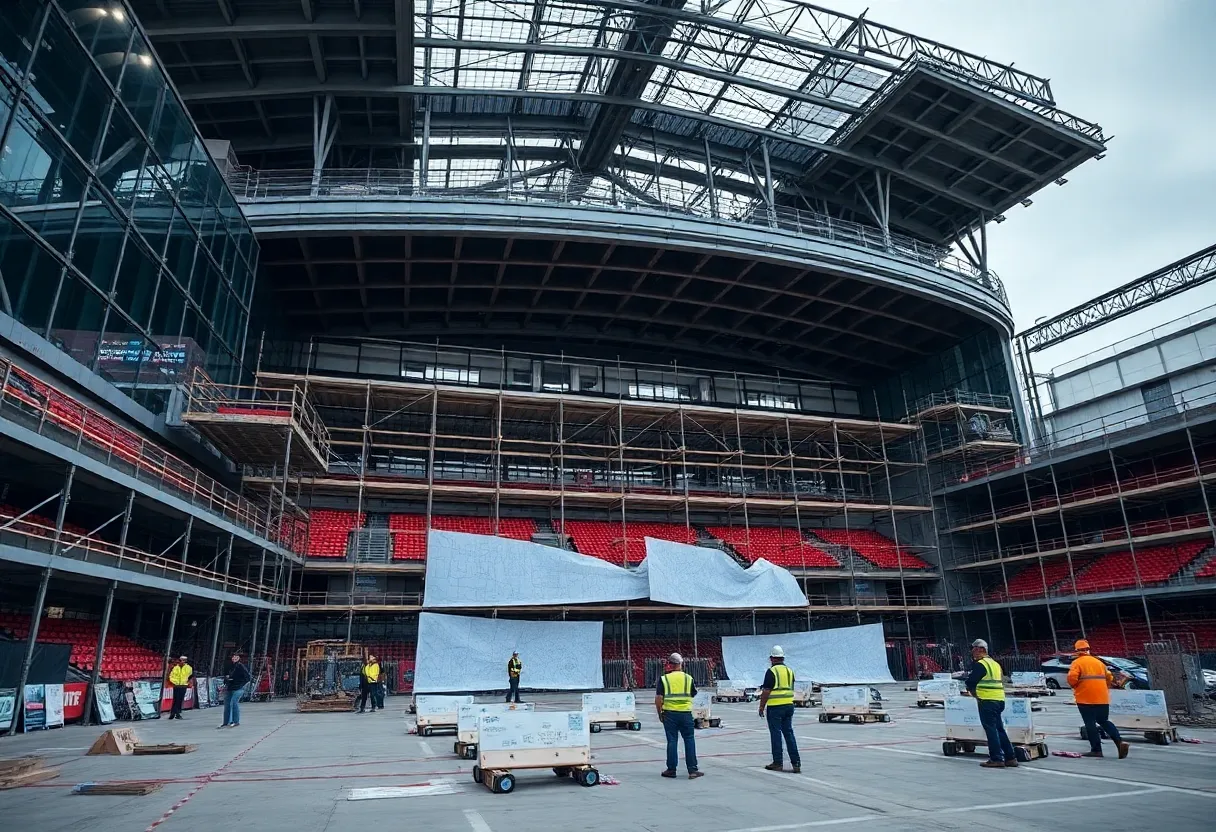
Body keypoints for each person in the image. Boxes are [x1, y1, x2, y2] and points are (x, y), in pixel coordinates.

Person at [1068, 639, 1130, 759]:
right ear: (1088, 649)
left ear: (1076, 651)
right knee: (1103, 721)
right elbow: (1109, 677)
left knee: (1090, 723)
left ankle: (1096, 750)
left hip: (1085, 698)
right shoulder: (1099, 662)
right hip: (1102, 698)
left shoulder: (1077, 662)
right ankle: (1119, 742)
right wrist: (1103, 689)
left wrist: (1076, 686)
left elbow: (1072, 679)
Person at [963, 639, 1017, 769]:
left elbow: (970, 682)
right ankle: (1011, 757)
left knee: (991, 729)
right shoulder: (995, 664)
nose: (972, 652)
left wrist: (974, 694)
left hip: (987, 700)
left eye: (974, 649)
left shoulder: (980, 664)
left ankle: (996, 758)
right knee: (999, 729)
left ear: (981, 649)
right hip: (999, 700)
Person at [655, 652, 703, 780]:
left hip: (670, 714)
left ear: (670, 664)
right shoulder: (689, 678)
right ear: (681, 664)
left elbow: (659, 699)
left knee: (672, 741)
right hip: (686, 714)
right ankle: (692, 770)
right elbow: (693, 693)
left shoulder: (664, 679)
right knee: (689, 740)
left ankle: (671, 770)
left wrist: (660, 713)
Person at [758, 645, 801, 773]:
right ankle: (796, 762)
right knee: (789, 733)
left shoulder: (771, 672)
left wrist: (761, 706)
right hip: (789, 705)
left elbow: (766, 691)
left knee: (776, 734)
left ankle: (777, 762)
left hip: (775, 707)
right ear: (782, 658)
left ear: (772, 658)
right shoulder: (789, 671)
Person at [219, 653, 250, 729]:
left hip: (238, 688)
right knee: (227, 705)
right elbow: (226, 675)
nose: (234, 659)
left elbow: (247, 677)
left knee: (233, 703)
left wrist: (241, 684)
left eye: (236, 657)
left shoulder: (241, 666)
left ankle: (235, 721)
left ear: (238, 658)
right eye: (233, 657)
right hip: (230, 687)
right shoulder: (229, 666)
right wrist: (226, 682)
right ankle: (226, 722)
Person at [167, 655, 193, 720]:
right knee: (175, 699)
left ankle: (175, 713)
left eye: (183, 660)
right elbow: (171, 676)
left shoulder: (189, 668)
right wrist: (175, 682)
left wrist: (186, 681)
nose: (182, 661)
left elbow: (190, 675)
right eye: (181, 660)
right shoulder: (176, 668)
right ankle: (174, 713)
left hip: (183, 685)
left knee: (180, 699)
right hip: (176, 685)